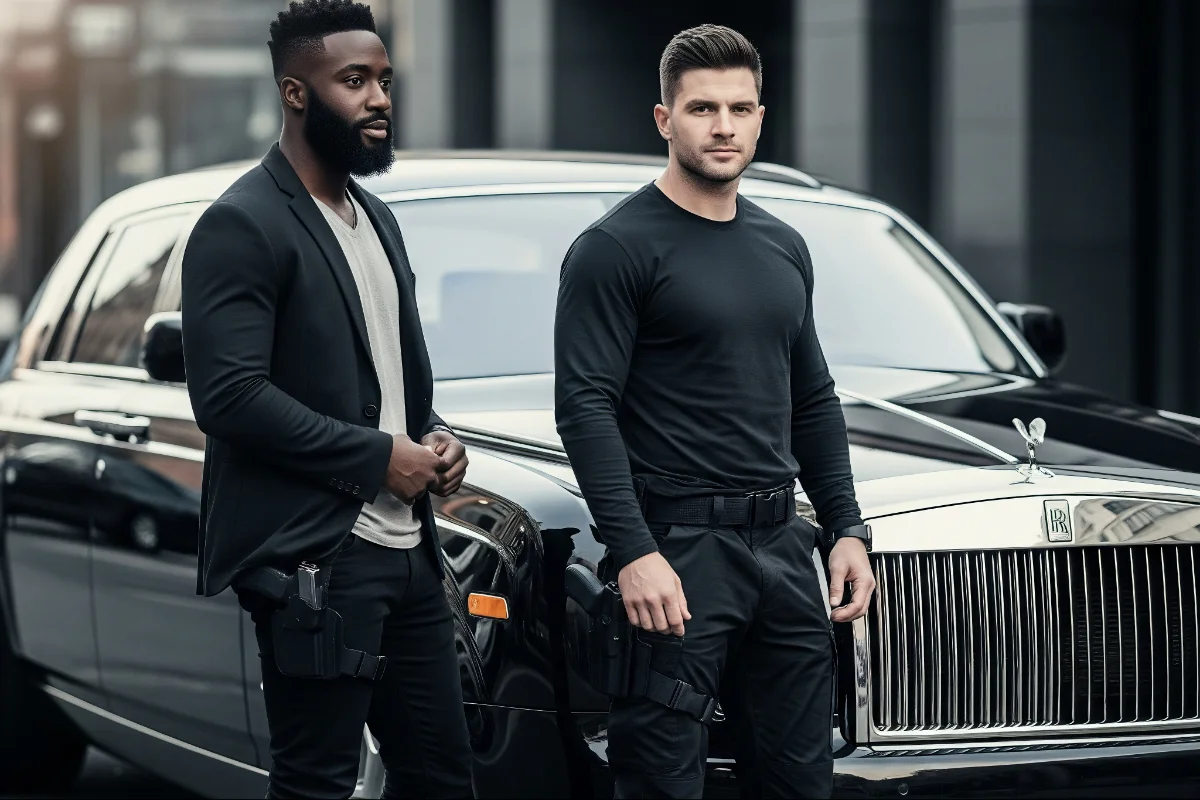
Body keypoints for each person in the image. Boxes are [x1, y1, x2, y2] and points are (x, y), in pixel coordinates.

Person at [554, 24, 877, 800]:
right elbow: (584, 406)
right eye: (702, 108)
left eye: (740, 108)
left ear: (762, 117)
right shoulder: (614, 248)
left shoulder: (783, 245)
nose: (724, 126)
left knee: (800, 781)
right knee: (664, 781)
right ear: (665, 120)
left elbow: (814, 398)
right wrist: (633, 551)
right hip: (677, 554)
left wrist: (847, 528)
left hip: (782, 550)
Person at [180, 1, 473, 797]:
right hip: (316, 558)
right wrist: (382, 457)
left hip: (410, 557)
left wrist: (436, 438)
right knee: (317, 783)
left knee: (443, 778)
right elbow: (230, 396)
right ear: (296, 93)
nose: (379, 98)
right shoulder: (241, 224)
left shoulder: (375, 218)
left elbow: (391, 382)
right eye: (354, 81)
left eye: (384, 79)